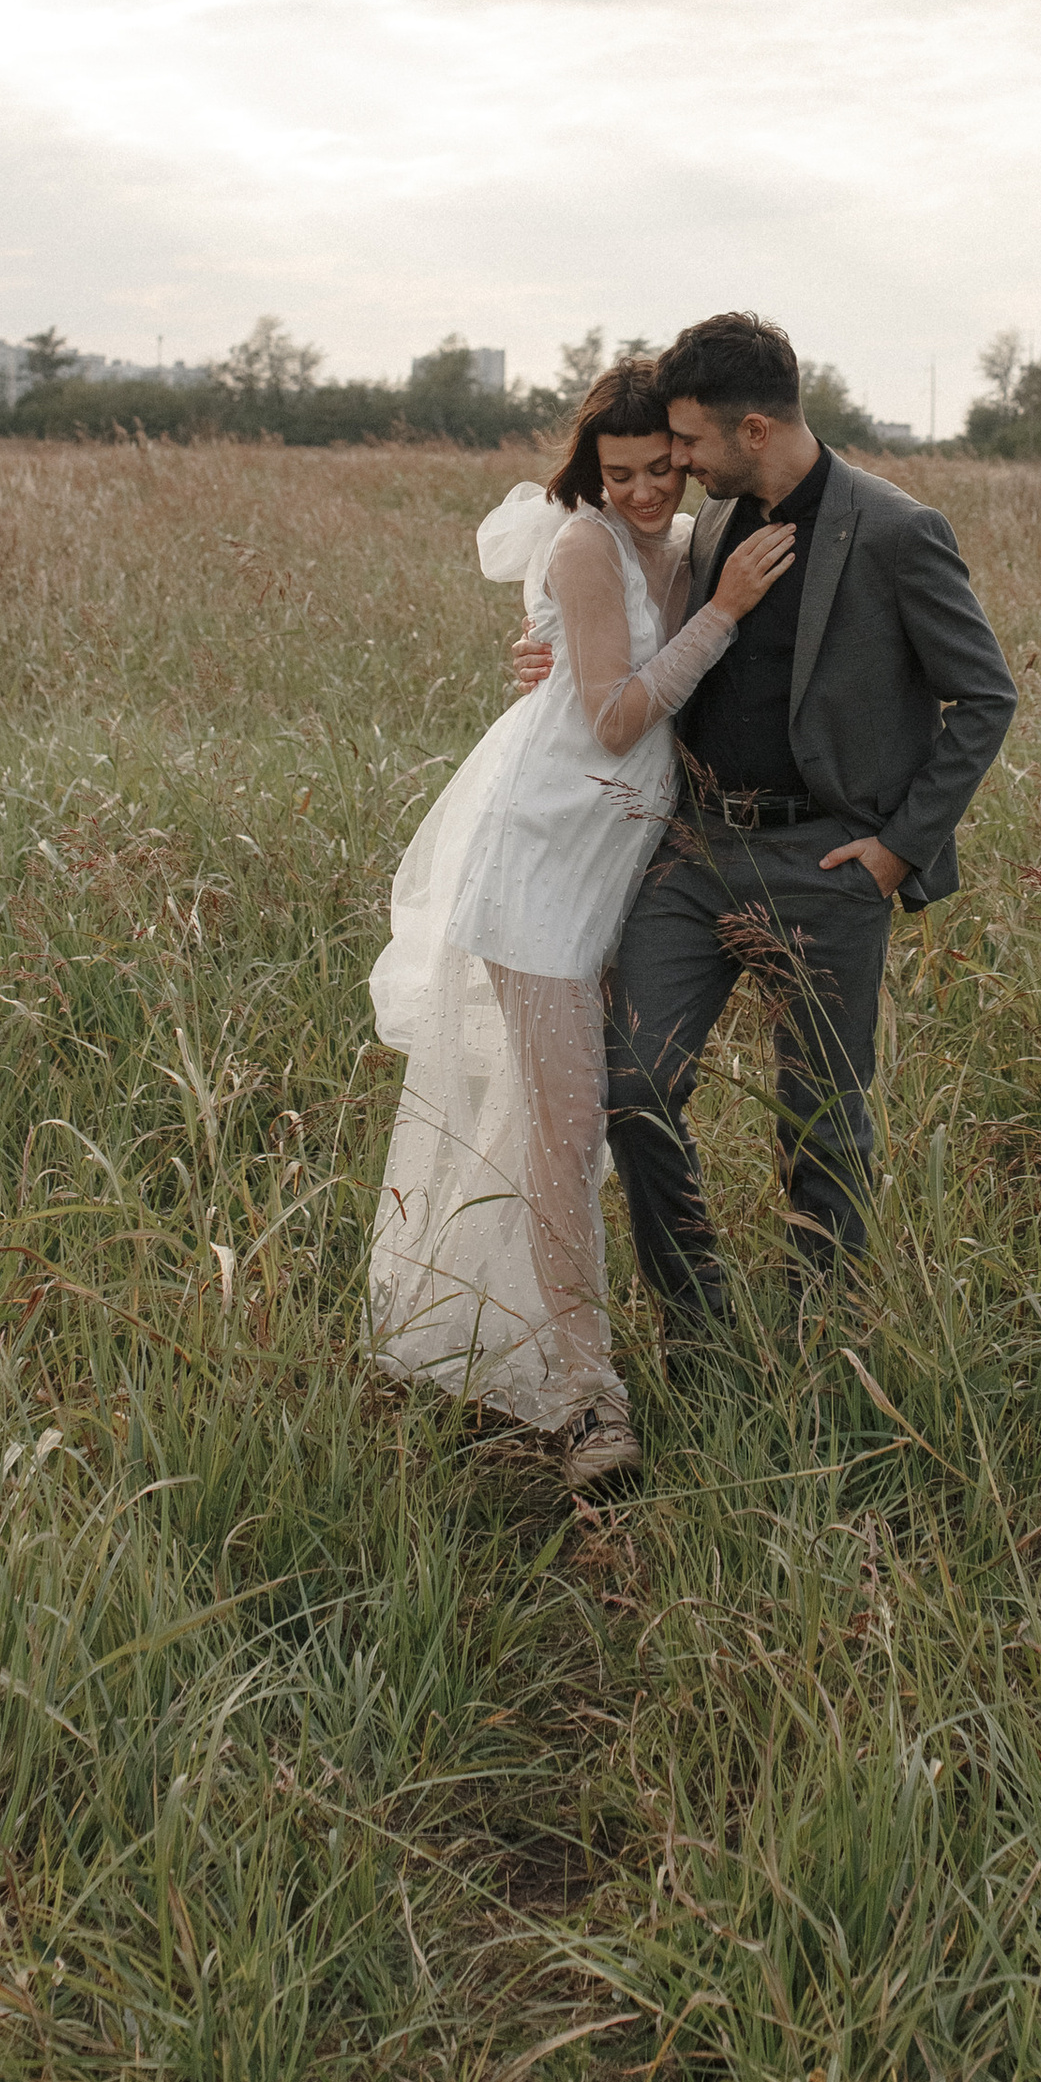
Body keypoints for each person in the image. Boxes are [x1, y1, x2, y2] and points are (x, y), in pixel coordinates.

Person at [366, 359, 794, 1484]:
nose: (646, 492)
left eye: (662, 468)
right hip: (541, 868)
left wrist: (688, 609)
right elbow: (611, 721)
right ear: (587, 471)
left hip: (618, 867)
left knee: (568, 1125)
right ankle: (584, 1402)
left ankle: (520, 1324)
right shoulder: (587, 544)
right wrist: (724, 614)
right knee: (567, 1131)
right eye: (619, 473)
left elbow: (601, 679)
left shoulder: (688, 538)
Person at [596, 310, 1017, 1359]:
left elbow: (985, 696)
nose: (676, 463)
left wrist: (894, 850)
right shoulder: (711, 529)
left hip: (829, 862)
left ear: (750, 429)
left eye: (688, 442)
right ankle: (698, 1331)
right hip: (693, 855)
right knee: (633, 1086)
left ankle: (826, 1342)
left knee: (820, 1120)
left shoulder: (893, 529)